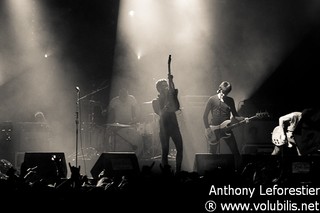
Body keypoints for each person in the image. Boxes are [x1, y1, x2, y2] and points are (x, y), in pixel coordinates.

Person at [203, 81, 248, 170]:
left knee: (236, 152)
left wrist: (243, 119)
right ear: (219, 89)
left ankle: (238, 173)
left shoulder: (230, 100)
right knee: (212, 154)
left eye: (227, 93)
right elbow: (204, 116)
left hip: (226, 129)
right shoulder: (212, 99)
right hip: (214, 130)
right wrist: (207, 129)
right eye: (223, 92)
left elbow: (235, 115)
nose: (225, 94)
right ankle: (210, 173)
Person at [152, 76, 183, 173]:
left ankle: (178, 171)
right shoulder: (155, 101)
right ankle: (165, 172)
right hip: (164, 128)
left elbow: (176, 106)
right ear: (159, 88)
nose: (166, 87)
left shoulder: (171, 98)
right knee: (165, 151)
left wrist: (171, 81)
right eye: (163, 86)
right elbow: (159, 113)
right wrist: (165, 107)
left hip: (174, 127)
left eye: (166, 85)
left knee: (180, 149)